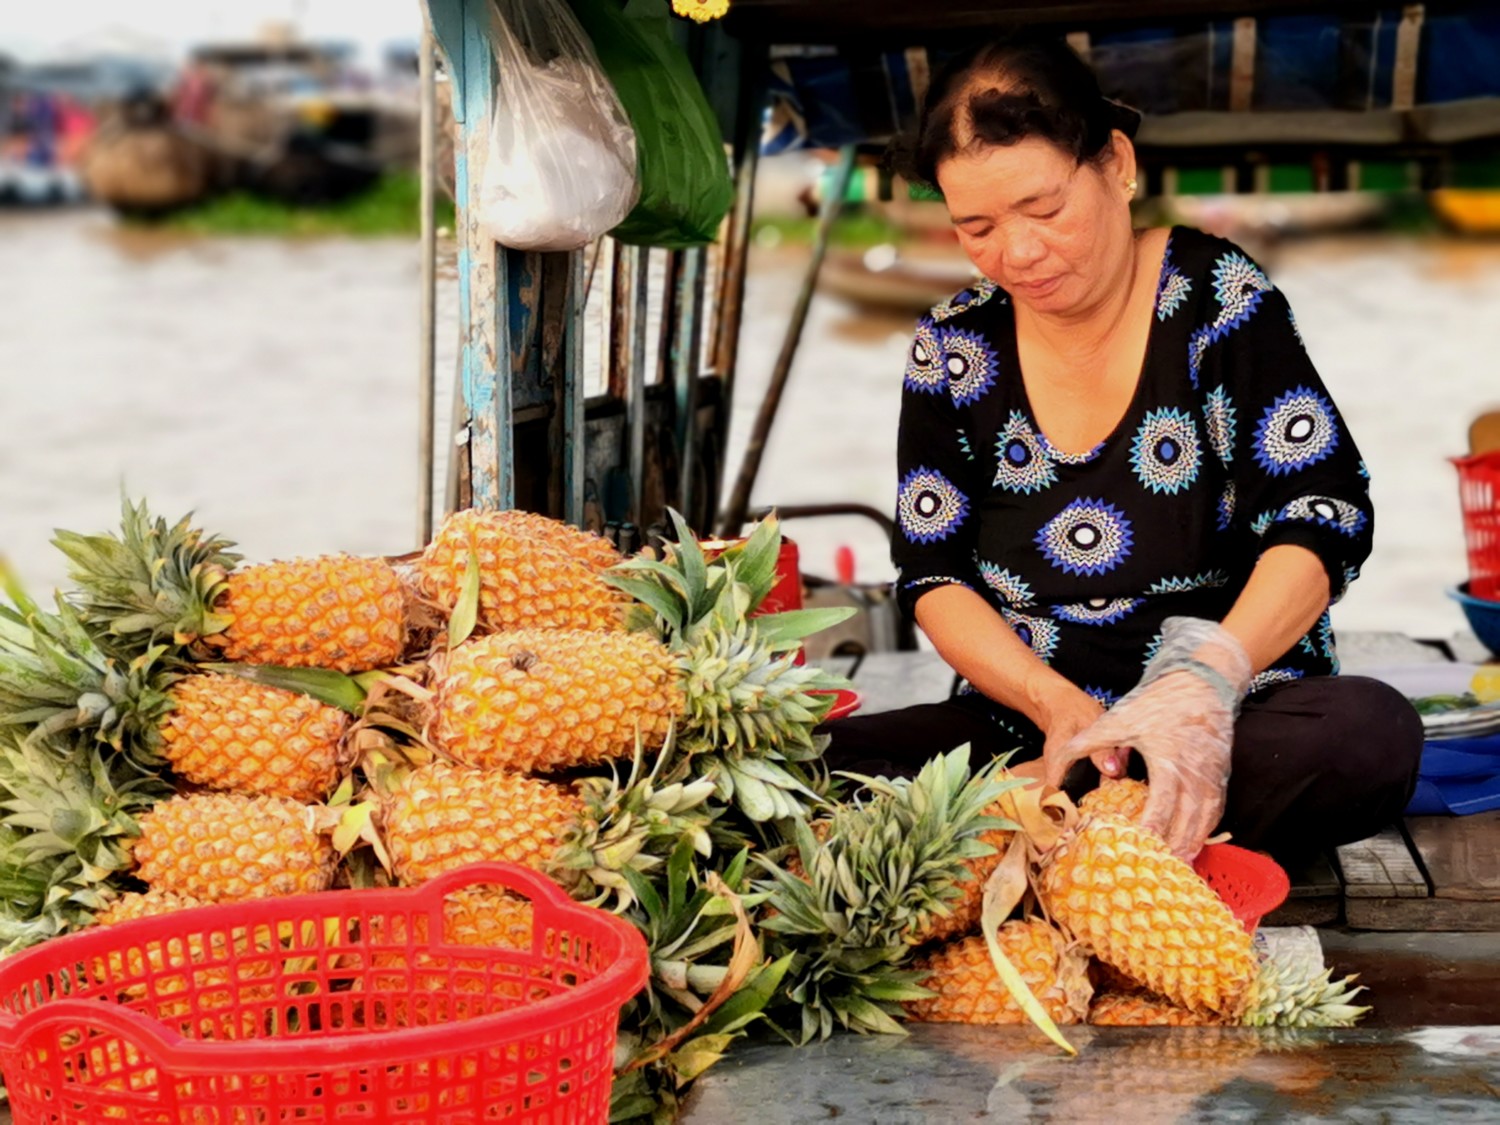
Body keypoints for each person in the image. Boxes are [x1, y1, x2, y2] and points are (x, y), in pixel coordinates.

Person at [821, 37, 1423, 866]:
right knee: (803, 768)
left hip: (1231, 714)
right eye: (978, 226)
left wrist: (1203, 680)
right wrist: (1058, 706)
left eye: (1044, 208)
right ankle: (1084, 811)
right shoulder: (953, 344)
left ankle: (1038, 821)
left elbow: (1320, 513)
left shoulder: (1214, 295)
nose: (1019, 253)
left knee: (1366, 736)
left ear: (1115, 164)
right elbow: (933, 574)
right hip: (1026, 727)